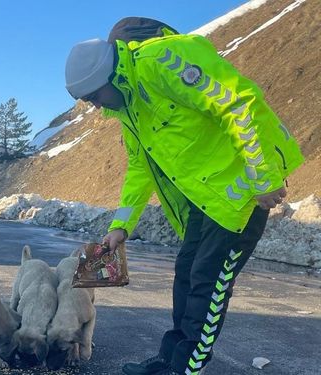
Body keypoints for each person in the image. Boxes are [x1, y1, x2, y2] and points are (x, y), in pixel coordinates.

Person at [64, 18, 304, 375]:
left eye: (94, 98)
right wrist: (121, 226)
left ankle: (187, 368)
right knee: (186, 275)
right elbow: (139, 167)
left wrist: (264, 175)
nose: (95, 107)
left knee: (209, 283)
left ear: (109, 76)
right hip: (203, 198)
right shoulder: (129, 106)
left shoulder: (164, 59)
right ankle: (169, 359)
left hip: (242, 193)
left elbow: (236, 102)